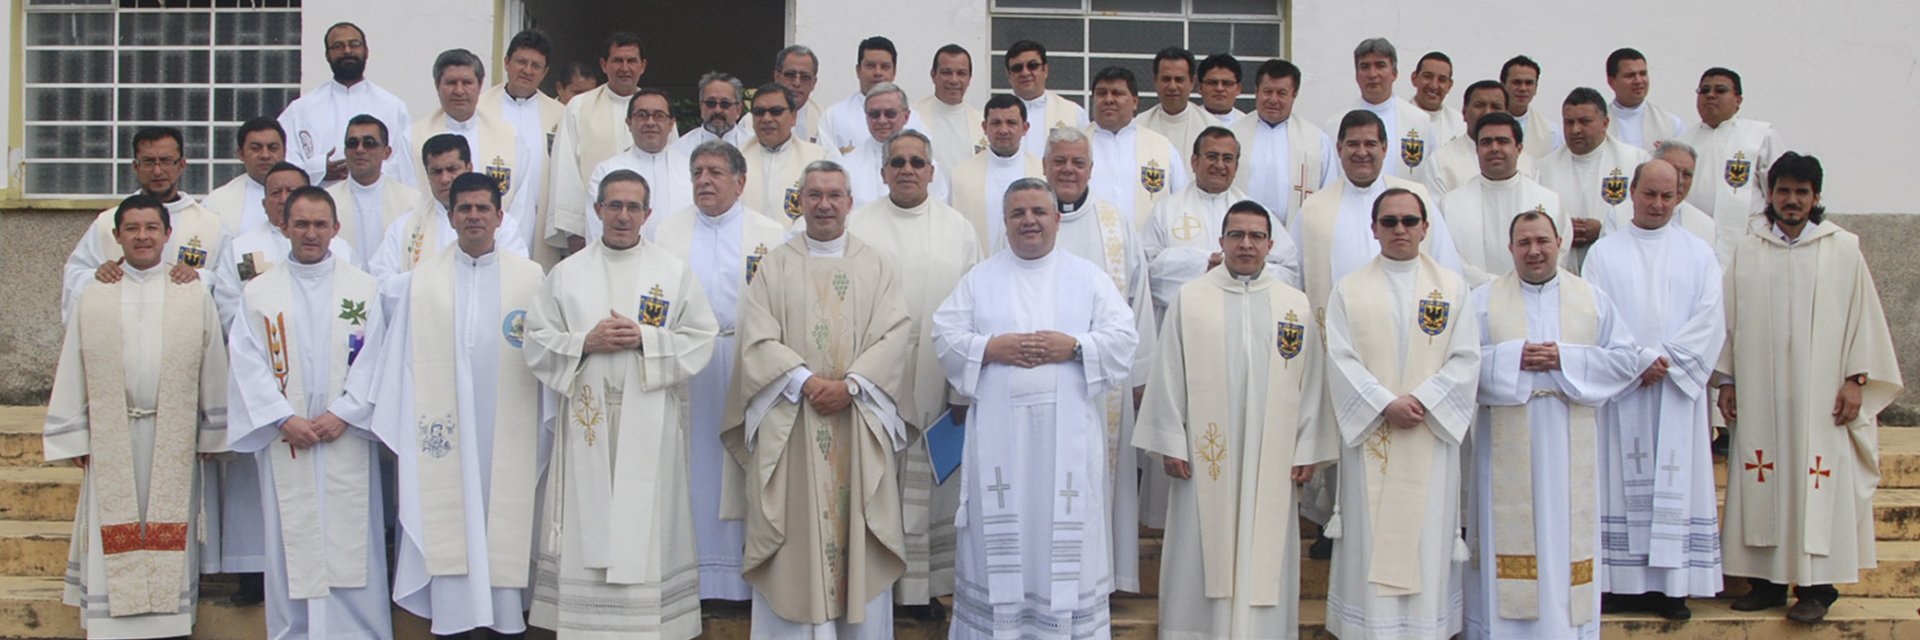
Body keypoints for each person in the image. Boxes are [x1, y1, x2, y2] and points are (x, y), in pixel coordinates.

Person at [339, 173, 547, 637]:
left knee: (504, 511)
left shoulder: (531, 278)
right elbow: (395, 366)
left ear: (499, 216)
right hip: (443, 427)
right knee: (449, 512)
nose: (474, 216)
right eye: (464, 208)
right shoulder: (419, 283)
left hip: (507, 424)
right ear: (450, 217)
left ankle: (506, 616)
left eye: (483, 208)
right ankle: (454, 616)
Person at [933, 177, 1139, 639]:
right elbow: (943, 335)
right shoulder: (980, 278)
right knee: (998, 539)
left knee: (1062, 539)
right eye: (1018, 213)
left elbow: (1124, 338)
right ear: (1005, 224)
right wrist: (991, 347)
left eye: (1039, 212)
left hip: (1065, 444)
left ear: (1057, 219)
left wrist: (1076, 346)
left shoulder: (1087, 277)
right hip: (999, 445)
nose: (1029, 220)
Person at [522, 169, 720, 639]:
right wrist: (584, 341)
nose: (623, 216)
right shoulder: (567, 274)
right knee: (588, 518)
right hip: (588, 421)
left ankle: (646, 623)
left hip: (649, 421)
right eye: (614, 205)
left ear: (648, 214)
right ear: (598, 211)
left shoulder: (671, 272)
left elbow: (701, 338)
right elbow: (536, 340)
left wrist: (646, 338)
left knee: (647, 520)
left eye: (633, 207)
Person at [725, 160, 917, 638]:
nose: (825, 204)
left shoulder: (876, 265)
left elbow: (895, 337)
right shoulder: (775, 265)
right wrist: (806, 381)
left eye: (834, 195)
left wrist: (852, 385)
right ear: (801, 202)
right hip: (794, 422)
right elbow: (755, 338)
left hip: (857, 421)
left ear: (850, 202)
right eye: (814, 195)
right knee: (795, 540)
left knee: (856, 537)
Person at [1133, 200, 1334, 640]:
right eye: (1236, 235)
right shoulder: (1193, 297)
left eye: (1256, 236)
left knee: (1266, 551)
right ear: (1221, 242)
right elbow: (1168, 370)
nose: (1246, 244)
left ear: (1270, 244)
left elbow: (1313, 382)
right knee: (1200, 548)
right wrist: (1169, 439)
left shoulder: (1294, 306)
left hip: (1272, 454)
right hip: (1206, 458)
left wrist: (1307, 448)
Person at [1718, 152, 1903, 624]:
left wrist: (1856, 379)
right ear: (1771, 194)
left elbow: (1863, 318)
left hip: (1823, 398)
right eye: (1784, 191)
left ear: (1816, 197)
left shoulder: (1842, 248)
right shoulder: (1749, 248)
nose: (1793, 200)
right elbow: (1729, 320)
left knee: (1816, 482)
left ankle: (1818, 587)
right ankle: (1767, 584)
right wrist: (1728, 379)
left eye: (1802, 192)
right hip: (1762, 396)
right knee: (1765, 476)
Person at [43, 195, 229, 639]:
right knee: (114, 523)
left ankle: (169, 621)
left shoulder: (191, 290)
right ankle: (111, 625)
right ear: (117, 237)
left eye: (151, 228)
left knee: (169, 522)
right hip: (113, 433)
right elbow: (73, 363)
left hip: (174, 433)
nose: (143, 236)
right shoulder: (96, 292)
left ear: (168, 235)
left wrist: (210, 431)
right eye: (132, 228)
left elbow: (212, 361)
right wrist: (77, 434)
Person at [1463, 210, 1649, 639]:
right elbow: (1462, 363)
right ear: (1509, 248)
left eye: (1542, 241)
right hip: (1505, 445)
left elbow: (1625, 360)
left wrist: (1564, 357)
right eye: (1524, 242)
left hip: (1569, 443)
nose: (1534, 251)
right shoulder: (1483, 300)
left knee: (1565, 544)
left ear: (1560, 243)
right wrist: (1514, 358)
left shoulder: (1591, 298)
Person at [226, 186, 392, 640]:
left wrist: (345, 412)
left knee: (350, 544)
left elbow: (378, 358)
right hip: (289, 439)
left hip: (346, 435)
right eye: (301, 223)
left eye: (321, 224)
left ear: (336, 229)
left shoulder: (365, 288)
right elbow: (247, 362)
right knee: (292, 548)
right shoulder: (259, 293)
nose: (311, 233)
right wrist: (282, 417)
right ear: (284, 227)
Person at [1321, 187, 1480, 640]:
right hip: (1375, 430)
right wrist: (1384, 403)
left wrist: (1425, 399)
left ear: (1426, 228)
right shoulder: (1349, 289)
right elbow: (1340, 358)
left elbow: (1467, 357)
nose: (1400, 230)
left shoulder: (1452, 288)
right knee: (1371, 540)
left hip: (1429, 433)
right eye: (1389, 222)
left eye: (1409, 221)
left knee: (1426, 541)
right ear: (1373, 229)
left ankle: (1426, 629)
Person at [1580, 159, 1726, 621]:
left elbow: (1710, 318)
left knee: (1675, 483)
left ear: (1679, 195)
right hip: (1624, 388)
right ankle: (1619, 585)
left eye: (1668, 195)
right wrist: (1637, 361)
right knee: (1617, 486)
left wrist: (1668, 358)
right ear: (1632, 194)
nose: (1659, 204)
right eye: (1650, 194)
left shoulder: (1698, 252)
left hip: (1677, 392)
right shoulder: (1604, 253)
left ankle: (1672, 586)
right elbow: (1594, 315)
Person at [847, 135, 985, 613]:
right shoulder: (856, 223)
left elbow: (974, 311)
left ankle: (919, 590)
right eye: (897, 162)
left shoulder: (959, 228)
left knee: (927, 488)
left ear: (932, 171)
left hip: (932, 377)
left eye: (917, 162)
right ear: (883, 172)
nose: (907, 169)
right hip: (867, 383)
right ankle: (870, 584)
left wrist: (963, 386)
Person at [652, 141, 790, 602]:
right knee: (690, 468)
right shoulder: (666, 233)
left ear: (741, 181)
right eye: (696, 172)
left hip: (748, 362)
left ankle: (745, 575)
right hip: (686, 364)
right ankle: (690, 576)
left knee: (744, 466)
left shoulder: (771, 235)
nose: (704, 180)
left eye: (714, 171)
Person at [1044, 127, 1159, 592]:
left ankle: (1103, 581)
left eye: (1077, 162)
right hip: (1042, 380)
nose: (1068, 170)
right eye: (1060, 162)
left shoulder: (1115, 224)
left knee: (1100, 482)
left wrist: (1139, 375)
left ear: (1091, 169)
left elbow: (1140, 303)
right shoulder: (1026, 217)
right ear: (1045, 167)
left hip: (1103, 383)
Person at [60, 127, 223, 322]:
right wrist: (97, 274)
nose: (157, 170)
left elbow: (229, 285)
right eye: (148, 162)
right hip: (121, 331)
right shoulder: (107, 222)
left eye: (166, 161)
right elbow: (75, 277)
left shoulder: (210, 225)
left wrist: (199, 276)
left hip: (183, 333)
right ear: (135, 167)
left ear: (181, 165)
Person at [1142, 128, 1303, 321]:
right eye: (1212, 156)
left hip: (1243, 318)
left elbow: (1289, 272)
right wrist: (1203, 266)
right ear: (1194, 162)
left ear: (1236, 166)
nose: (1219, 165)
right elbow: (1146, 272)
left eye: (1227, 158)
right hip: (1186, 318)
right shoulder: (1165, 211)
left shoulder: (1256, 213)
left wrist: (1241, 270)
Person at [411, 48, 535, 253]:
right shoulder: (414, 137)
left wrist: (507, 250)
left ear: (480, 86)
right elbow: (409, 201)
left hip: (496, 249)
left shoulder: (509, 137)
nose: (459, 91)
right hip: (431, 249)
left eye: (467, 83)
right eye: (451, 83)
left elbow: (522, 207)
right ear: (437, 86)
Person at [213, 161, 357, 332]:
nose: (284, 199)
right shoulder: (241, 249)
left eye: (292, 191)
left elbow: (355, 302)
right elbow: (228, 307)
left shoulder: (341, 250)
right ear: (264, 204)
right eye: (275, 193)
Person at [368, 134, 527, 282]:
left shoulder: (502, 224)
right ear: (427, 176)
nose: (444, 179)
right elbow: (381, 280)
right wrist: (428, 283)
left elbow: (517, 275)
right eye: (436, 172)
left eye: (452, 169)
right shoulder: (404, 228)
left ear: (469, 168)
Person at [546, 32, 648, 253]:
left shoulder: (656, 110)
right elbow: (566, 170)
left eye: (631, 61)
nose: (625, 68)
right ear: (604, 65)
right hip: (592, 232)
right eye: (617, 60)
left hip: (646, 230)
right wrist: (575, 231)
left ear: (643, 66)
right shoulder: (579, 107)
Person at [278, 22, 413, 186]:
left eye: (354, 44)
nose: (347, 50)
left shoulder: (393, 107)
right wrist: (318, 169)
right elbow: (283, 160)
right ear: (327, 55)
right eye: (338, 46)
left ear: (366, 51)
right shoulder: (301, 109)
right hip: (317, 202)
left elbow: (404, 163)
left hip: (378, 203)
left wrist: (363, 170)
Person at [1440, 112, 1565, 286]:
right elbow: (1448, 256)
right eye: (1486, 142)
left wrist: (1520, 284)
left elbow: (1560, 254)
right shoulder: (1451, 203)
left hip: (1533, 293)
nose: (1494, 148)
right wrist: (1492, 285)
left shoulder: (1549, 200)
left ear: (1519, 148)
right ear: (1476, 150)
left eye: (1503, 141)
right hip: (1474, 298)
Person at [1536, 87, 1649, 272]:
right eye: (1569, 122)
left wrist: (1603, 230)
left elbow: (1646, 215)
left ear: (1605, 123)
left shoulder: (1636, 161)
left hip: (1618, 267)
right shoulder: (1544, 168)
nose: (1575, 130)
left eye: (1584, 121)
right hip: (1563, 269)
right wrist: (1563, 229)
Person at [478, 30, 566, 266]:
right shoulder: (481, 108)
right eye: (521, 62)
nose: (528, 70)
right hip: (490, 218)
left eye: (536, 65)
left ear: (545, 72)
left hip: (539, 222)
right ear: (507, 62)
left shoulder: (560, 116)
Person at [1681, 67, 1785, 259]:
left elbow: (1779, 190)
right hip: (1694, 242)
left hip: (1748, 241)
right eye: (1704, 91)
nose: (1711, 95)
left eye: (1720, 90)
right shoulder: (1682, 142)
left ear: (1738, 100)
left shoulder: (1760, 136)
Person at [568, 89, 692, 243]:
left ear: (671, 124)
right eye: (642, 115)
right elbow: (597, 232)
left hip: (679, 263)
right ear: (629, 123)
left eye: (659, 115)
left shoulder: (690, 171)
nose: (651, 122)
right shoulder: (607, 171)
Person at [1226, 59, 1336, 229]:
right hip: (1242, 236)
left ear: (1294, 95)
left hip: (1297, 237)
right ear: (1256, 90)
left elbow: (1329, 193)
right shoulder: (1232, 136)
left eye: (1282, 93)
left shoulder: (1316, 140)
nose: (1273, 99)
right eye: (1267, 91)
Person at [1087, 66, 1190, 229]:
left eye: (1117, 93)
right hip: (1088, 248)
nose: (1108, 99)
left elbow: (1182, 202)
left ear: (1135, 102)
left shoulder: (1161, 148)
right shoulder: (1075, 145)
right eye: (1101, 93)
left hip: (1145, 250)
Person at [1329, 38, 1441, 185]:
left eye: (1380, 65)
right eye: (1365, 66)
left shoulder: (1419, 121)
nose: (1372, 74)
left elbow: (1431, 177)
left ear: (1394, 73)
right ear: (1357, 75)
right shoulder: (1335, 125)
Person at [325, 114, 422, 268]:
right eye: (352, 143)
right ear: (345, 151)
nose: (360, 150)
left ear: (387, 152)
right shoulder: (327, 201)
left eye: (369, 143)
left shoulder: (411, 201)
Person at [949, 94, 1044, 249]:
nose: (1003, 130)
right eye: (996, 123)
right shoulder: (961, 175)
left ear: (1025, 128)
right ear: (985, 128)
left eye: (1011, 123)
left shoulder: (1042, 172)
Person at [841, 83, 950, 208]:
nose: (882, 120)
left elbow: (940, 209)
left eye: (890, 113)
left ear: (906, 116)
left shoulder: (923, 164)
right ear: (866, 117)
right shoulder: (846, 166)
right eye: (874, 114)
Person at [741, 83, 836, 225]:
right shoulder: (735, 159)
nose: (766, 118)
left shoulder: (818, 158)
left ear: (793, 117)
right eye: (759, 112)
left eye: (776, 111)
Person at [1424, 81, 1538, 199]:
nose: (1487, 112)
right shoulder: (1441, 161)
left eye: (1496, 107)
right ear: (1464, 112)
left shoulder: (1526, 163)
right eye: (1479, 105)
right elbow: (1437, 212)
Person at [818, 37, 929, 154]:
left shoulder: (913, 119)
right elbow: (825, 164)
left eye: (885, 67)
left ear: (894, 72)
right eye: (870, 66)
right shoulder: (834, 116)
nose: (878, 73)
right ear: (858, 70)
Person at [1602, 140, 1715, 247]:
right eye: (1673, 171)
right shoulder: (1617, 216)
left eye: (1687, 175)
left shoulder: (1706, 226)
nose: (1679, 181)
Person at [1136, 47, 1223, 169]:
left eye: (1179, 79)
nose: (1172, 86)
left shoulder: (1211, 127)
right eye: (1166, 79)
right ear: (1155, 81)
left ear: (1192, 82)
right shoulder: (1139, 125)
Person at [200, 117, 287, 235]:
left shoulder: (306, 194)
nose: (265, 155)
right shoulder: (217, 203)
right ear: (241, 154)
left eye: (273, 148)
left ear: (285, 152)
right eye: (256, 148)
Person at [1005, 39, 1090, 154]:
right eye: (1017, 68)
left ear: (1046, 69)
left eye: (1033, 66)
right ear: (1009, 75)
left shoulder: (1074, 113)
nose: (1025, 73)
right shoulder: (994, 115)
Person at [916, 44, 986, 172]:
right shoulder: (912, 117)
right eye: (946, 72)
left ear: (969, 78)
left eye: (961, 73)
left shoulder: (981, 123)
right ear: (933, 75)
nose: (954, 80)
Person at [1603, 48, 1685, 152]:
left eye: (1643, 73)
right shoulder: (1597, 123)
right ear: (1612, 81)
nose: (1638, 81)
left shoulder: (1672, 124)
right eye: (1630, 75)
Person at [674, 72, 753, 153]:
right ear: (701, 107)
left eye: (725, 104)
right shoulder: (680, 148)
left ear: (738, 110)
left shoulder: (754, 146)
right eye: (711, 103)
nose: (717, 110)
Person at [1501, 55, 1563, 157]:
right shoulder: (1483, 126)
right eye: (1517, 82)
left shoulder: (1551, 133)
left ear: (1536, 88)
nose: (1523, 88)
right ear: (1503, 85)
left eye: (1529, 83)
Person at [774, 45, 827, 143]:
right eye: (790, 74)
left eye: (805, 77)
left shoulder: (825, 121)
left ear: (814, 83)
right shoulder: (752, 120)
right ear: (777, 77)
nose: (797, 83)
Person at [1410, 52, 1465, 145]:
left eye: (1442, 80)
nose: (1434, 85)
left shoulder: (1460, 124)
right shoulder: (1397, 117)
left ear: (1449, 86)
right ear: (1414, 79)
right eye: (1428, 76)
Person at [1197, 54, 1246, 125]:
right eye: (1212, 82)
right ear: (1200, 87)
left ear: (1238, 89)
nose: (1219, 88)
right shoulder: (1188, 121)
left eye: (1227, 83)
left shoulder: (1248, 124)